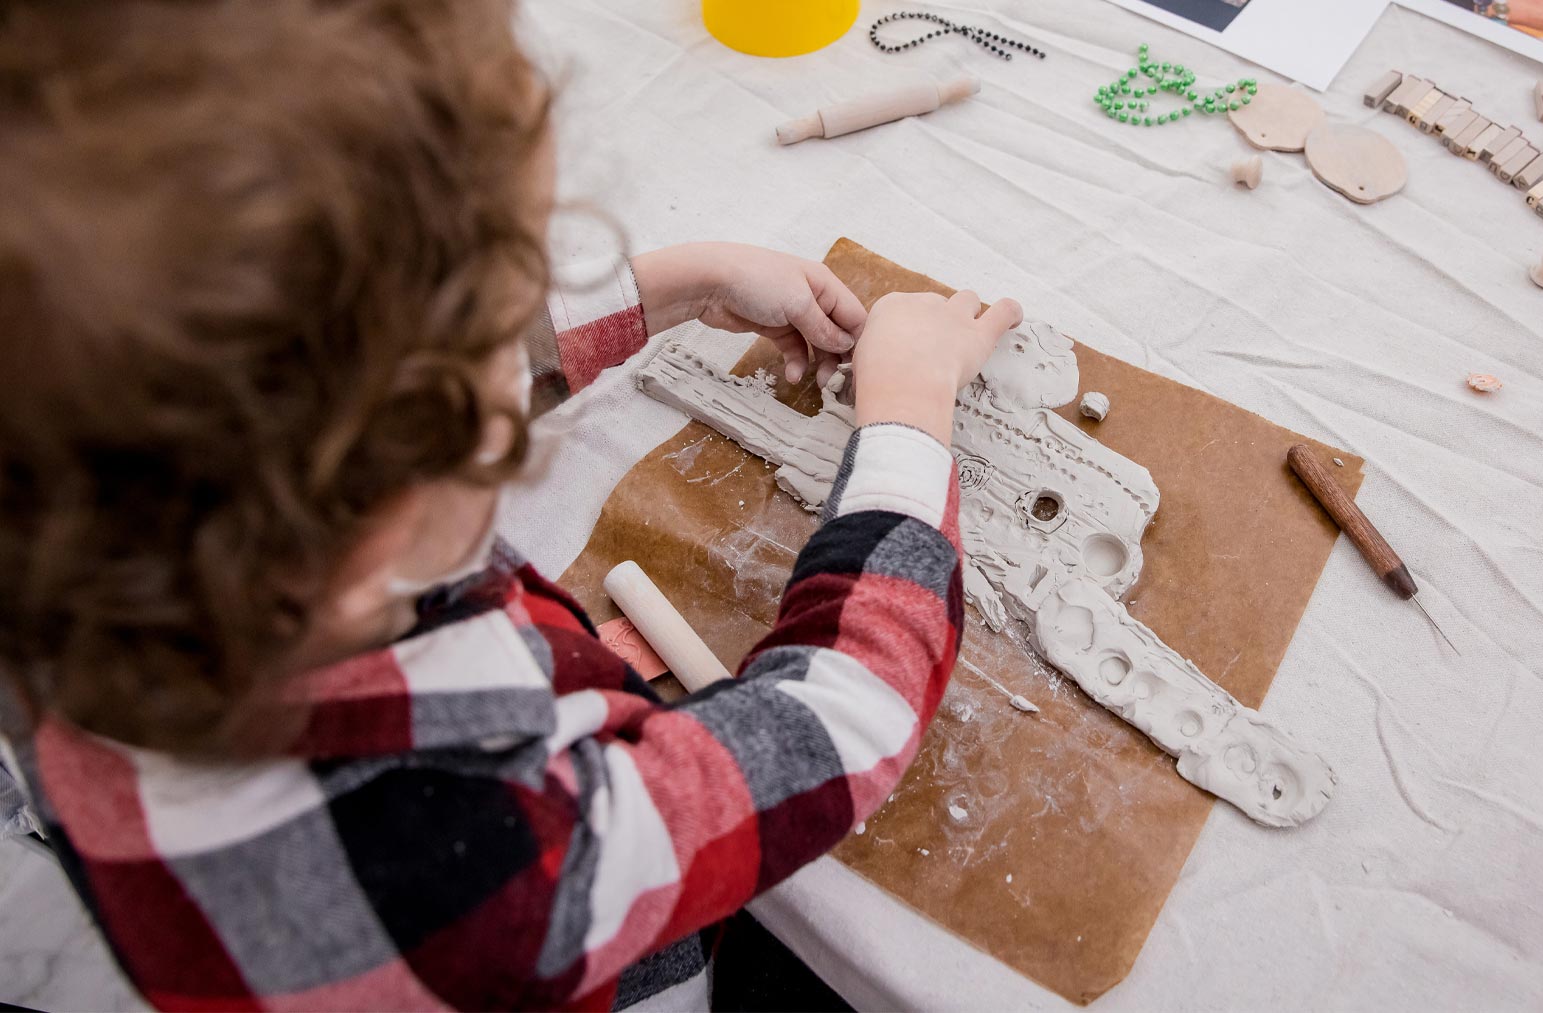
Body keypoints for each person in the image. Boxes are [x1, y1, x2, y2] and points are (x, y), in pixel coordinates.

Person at [0, 0, 1022, 1008]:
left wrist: (676, 282)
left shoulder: (77, 555)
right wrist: (907, 418)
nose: (517, 343)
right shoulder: (483, 862)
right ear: (386, 497)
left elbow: (358, 392)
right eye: (503, 323)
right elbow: (838, 726)